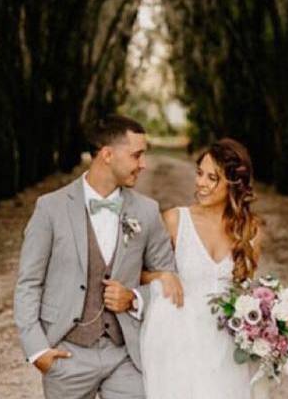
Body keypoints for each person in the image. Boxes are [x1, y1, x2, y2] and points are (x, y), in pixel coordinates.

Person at [14, 115, 181, 399]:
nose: (143, 165)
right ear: (107, 154)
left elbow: (170, 279)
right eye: (136, 155)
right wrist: (38, 350)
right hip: (67, 355)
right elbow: (28, 283)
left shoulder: (147, 211)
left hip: (126, 355)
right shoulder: (50, 208)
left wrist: (134, 298)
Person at [140, 138, 265, 399]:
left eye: (212, 178)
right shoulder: (175, 221)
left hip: (226, 348)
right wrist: (163, 275)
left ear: (233, 183)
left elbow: (245, 291)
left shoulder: (250, 230)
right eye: (199, 174)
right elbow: (139, 273)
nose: (201, 183)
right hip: (178, 341)